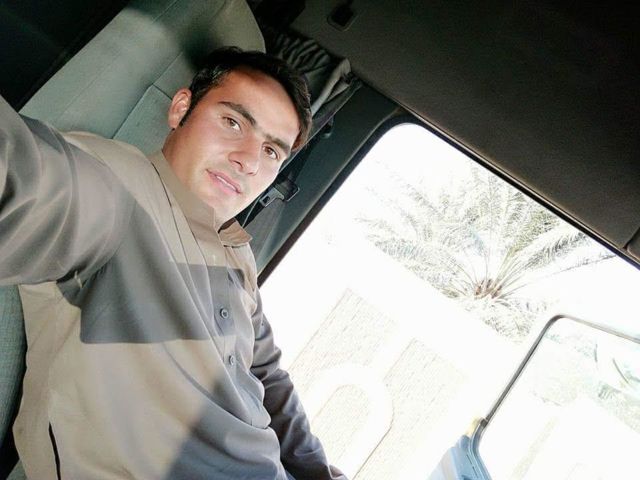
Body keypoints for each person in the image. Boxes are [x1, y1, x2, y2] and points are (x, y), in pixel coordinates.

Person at [0, 47, 346, 480]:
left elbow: (266, 373)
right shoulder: (117, 188)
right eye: (233, 122)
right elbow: (25, 178)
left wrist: (321, 474)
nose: (248, 161)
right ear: (181, 109)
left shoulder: (237, 252)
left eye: (271, 152)